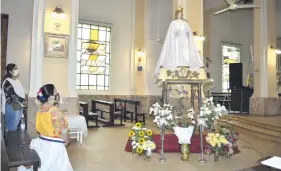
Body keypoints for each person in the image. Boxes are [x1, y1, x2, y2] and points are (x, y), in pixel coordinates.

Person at [18, 84, 73, 171]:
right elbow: (64, 131)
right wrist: (66, 141)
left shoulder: (40, 109)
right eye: (55, 93)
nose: (57, 94)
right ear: (50, 97)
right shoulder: (55, 112)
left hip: (42, 143)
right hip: (54, 147)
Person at [154, 6, 204, 76]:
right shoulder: (173, 23)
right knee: (176, 52)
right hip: (175, 43)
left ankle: (186, 66)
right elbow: (170, 35)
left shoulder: (185, 23)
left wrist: (187, 40)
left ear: (182, 15)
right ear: (176, 15)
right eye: (178, 14)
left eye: (180, 14)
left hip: (184, 43)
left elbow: (189, 34)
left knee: (184, 53)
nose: (179, 15)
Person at [1, 63, 26, 131]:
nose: (17, 70)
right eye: (15, 68)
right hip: (12, 106)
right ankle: (11, 141)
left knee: (15, 127)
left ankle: (14, 141)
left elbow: (20, 93)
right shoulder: (7, 82)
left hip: (19, 105)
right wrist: (23, 101)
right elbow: (11, 96)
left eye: (17, 68)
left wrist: (23, 102)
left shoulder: (17, 81)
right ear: (10, 71)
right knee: (11, 128)